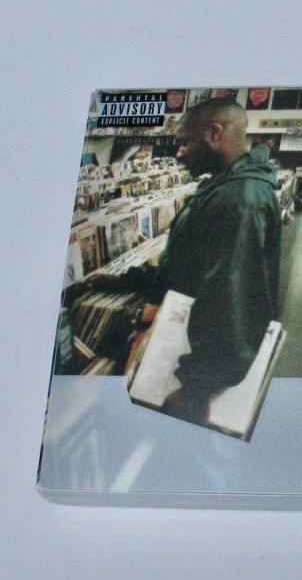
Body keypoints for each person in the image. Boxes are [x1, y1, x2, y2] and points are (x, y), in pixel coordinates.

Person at [93, 97, 282, 424]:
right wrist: (125, 280)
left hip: (199, 377)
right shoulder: (224, 187)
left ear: (214, 133)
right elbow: (187, 266)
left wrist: (197, 388)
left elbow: (232, 300)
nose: (179, 153)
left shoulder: (238, 200)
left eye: (185, 142)